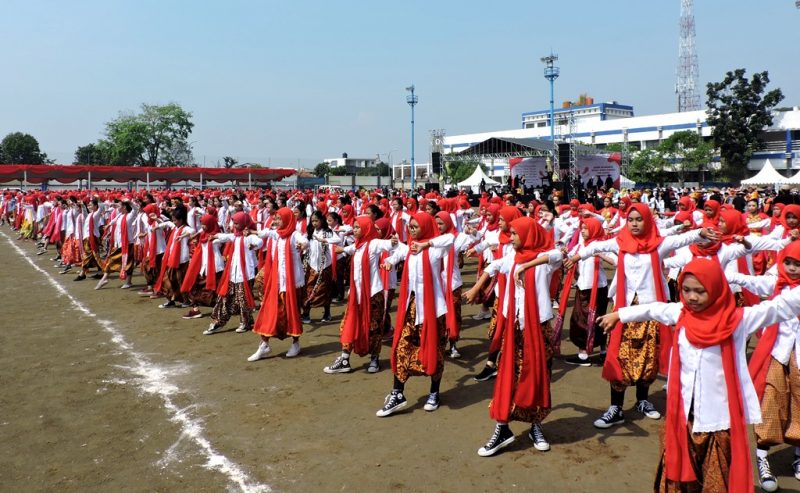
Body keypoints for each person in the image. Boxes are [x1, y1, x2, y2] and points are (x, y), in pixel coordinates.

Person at [597, 258, 800, 492]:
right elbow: (653, 308)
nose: (692, 297)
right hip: (683, 415)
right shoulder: (681, 313)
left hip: (718, 418)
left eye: (700, 291)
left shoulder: (738, 320)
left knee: (715, 479)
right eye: (686, 290)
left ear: (715, 288)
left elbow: (781, 306)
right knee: (679, 476)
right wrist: (619, 315)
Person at [565, 203, 717, 429]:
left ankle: (642, 400)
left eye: (639, 219)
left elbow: (682, 240)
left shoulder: (659, 244)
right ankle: (616, 408)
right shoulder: (619, 242)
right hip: (623, 311)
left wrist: (700, 233)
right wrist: (576, 257)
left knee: (649, 357)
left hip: (652, 310)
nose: (634, 224)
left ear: (647, 220)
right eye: (631, 220)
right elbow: (595, 246)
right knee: (619, 356)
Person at [465, 216, 563, 456]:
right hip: (514, 327)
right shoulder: (510, 257)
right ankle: (502, 427)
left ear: (528, 235)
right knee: (508, 375)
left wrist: (526, 265)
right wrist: (477, 287)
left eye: (516, 234)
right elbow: (493, 266)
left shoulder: (545, 259)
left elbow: (558, 255)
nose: (511, 238)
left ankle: (535, 425)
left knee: (537, 376)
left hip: (538, 326)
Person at [727, 241, 800, 491]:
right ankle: (762, 457)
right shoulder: (776, 284)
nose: (790, 268)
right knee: (771, 401)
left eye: (797, 264)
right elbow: (752, 281)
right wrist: (720, 272)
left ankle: (798, 456)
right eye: (787, 262)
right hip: (777, 352)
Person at [376, 213, 448, 417]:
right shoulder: (409, 248)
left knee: (435, 350)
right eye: (411, 227)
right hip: (411, 308)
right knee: (401, 347)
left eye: (416, 227)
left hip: (433, 310)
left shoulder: (434, 251)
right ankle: (397, 392)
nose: (412, 230)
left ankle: (434, 393)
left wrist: (427, 245)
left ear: (425, 227)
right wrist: (389, 261)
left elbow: (450, 238)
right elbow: (395, 253)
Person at [323, 216, 396, 374]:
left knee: (374, 328)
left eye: (357, 227)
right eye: (354, 227)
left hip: (372, 294)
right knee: (348, 324)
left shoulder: (373, 244)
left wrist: (393, 242)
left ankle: (374, 358)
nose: (354, 230)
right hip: (356, 295)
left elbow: (387, 244)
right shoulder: (358, 245)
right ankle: (344, 359)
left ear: (366, 229)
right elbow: (351, 250)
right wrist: (342, 249)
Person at [247, 207, 308, 361]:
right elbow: (265, 233)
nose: (276, 222)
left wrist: (303, 246)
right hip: (277, 281)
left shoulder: (294, 235)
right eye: (276, 219)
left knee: (291, 313)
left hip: (292, 282)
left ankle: (295, 343)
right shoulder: (277, 234)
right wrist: (251, 232)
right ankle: (264, 344)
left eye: (280, 219)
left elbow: (304, 241)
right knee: (270, 310)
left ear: (287, 219)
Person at [205, 212, 263, 335]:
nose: (235, 226)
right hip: (233, 273)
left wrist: (253, 245)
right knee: (225, 297)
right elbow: (225, 236)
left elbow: (260, 242)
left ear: (244, 224)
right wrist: (215, 236)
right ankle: (218, 321)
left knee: (243, 299)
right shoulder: (235, 236)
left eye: (237, 223)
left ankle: (245, 322)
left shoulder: (248, 237)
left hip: (245, 274)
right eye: (234, 223)